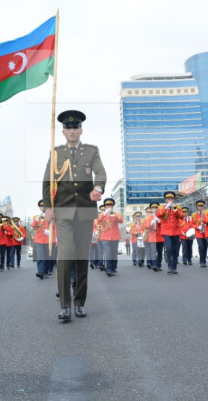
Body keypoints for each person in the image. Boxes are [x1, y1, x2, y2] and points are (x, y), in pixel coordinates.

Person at [42, 110, 106, 321]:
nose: (72, 131)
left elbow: (100, 172)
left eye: (75, 127)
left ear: (81, 130)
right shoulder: (56, 153)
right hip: (64, 210)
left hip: (86, 211)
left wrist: (98, 187)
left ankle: (79, 302)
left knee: (81, 258)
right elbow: (47, 182)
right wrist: (49, 208)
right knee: (65, 254)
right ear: (63, 132)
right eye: (68, 128)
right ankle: (64, 305)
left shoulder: (91, 151)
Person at [157, 191, 182, 275]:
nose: (170, 200)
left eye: (171, 198)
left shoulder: (177, 207)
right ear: (165, 200)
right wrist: (166, 208)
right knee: (169, 248)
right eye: (168, 198)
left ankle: (174, 267)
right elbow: (158, 215)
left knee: (175, 250)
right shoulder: (161, 208)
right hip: (166, 231)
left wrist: (175, 209)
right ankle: (170, 266)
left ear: (173, 199)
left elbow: (181, 216)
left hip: (175, 231)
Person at [97, 198, 123, 277]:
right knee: (108, 252)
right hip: (105, 236)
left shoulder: (116, 214)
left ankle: (113, 267)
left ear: (113, 206)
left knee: (114, 253)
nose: (109, 206)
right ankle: (108, 269)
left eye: (110, 205)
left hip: (115, 236)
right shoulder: (102, 215)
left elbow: (121, 221)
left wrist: (114, 216)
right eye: (107, 205)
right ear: (105, 206)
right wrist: (104, 214)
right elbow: (97, 221)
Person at [192, 201, 208, 267]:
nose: (201, 207)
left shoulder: (206, 213)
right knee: (201, 246)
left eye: (202, 206)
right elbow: (192, 224)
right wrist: (197, 227)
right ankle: (201, 261)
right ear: (197, 207)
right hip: (198, 233)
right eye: (199, 206)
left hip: (206, 233)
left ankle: (204, 261)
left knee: (205, 247)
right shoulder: (194, 215)